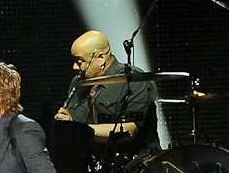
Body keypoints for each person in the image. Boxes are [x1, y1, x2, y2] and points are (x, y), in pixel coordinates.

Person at [54, 29, 160, 157]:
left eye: (79, 61)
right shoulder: (77, 83)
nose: (74, 67)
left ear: (101, 58)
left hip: (137, 165)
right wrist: (66, 123)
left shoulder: (134, 80)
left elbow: (129, 132)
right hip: (93, 163)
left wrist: (79, 129)